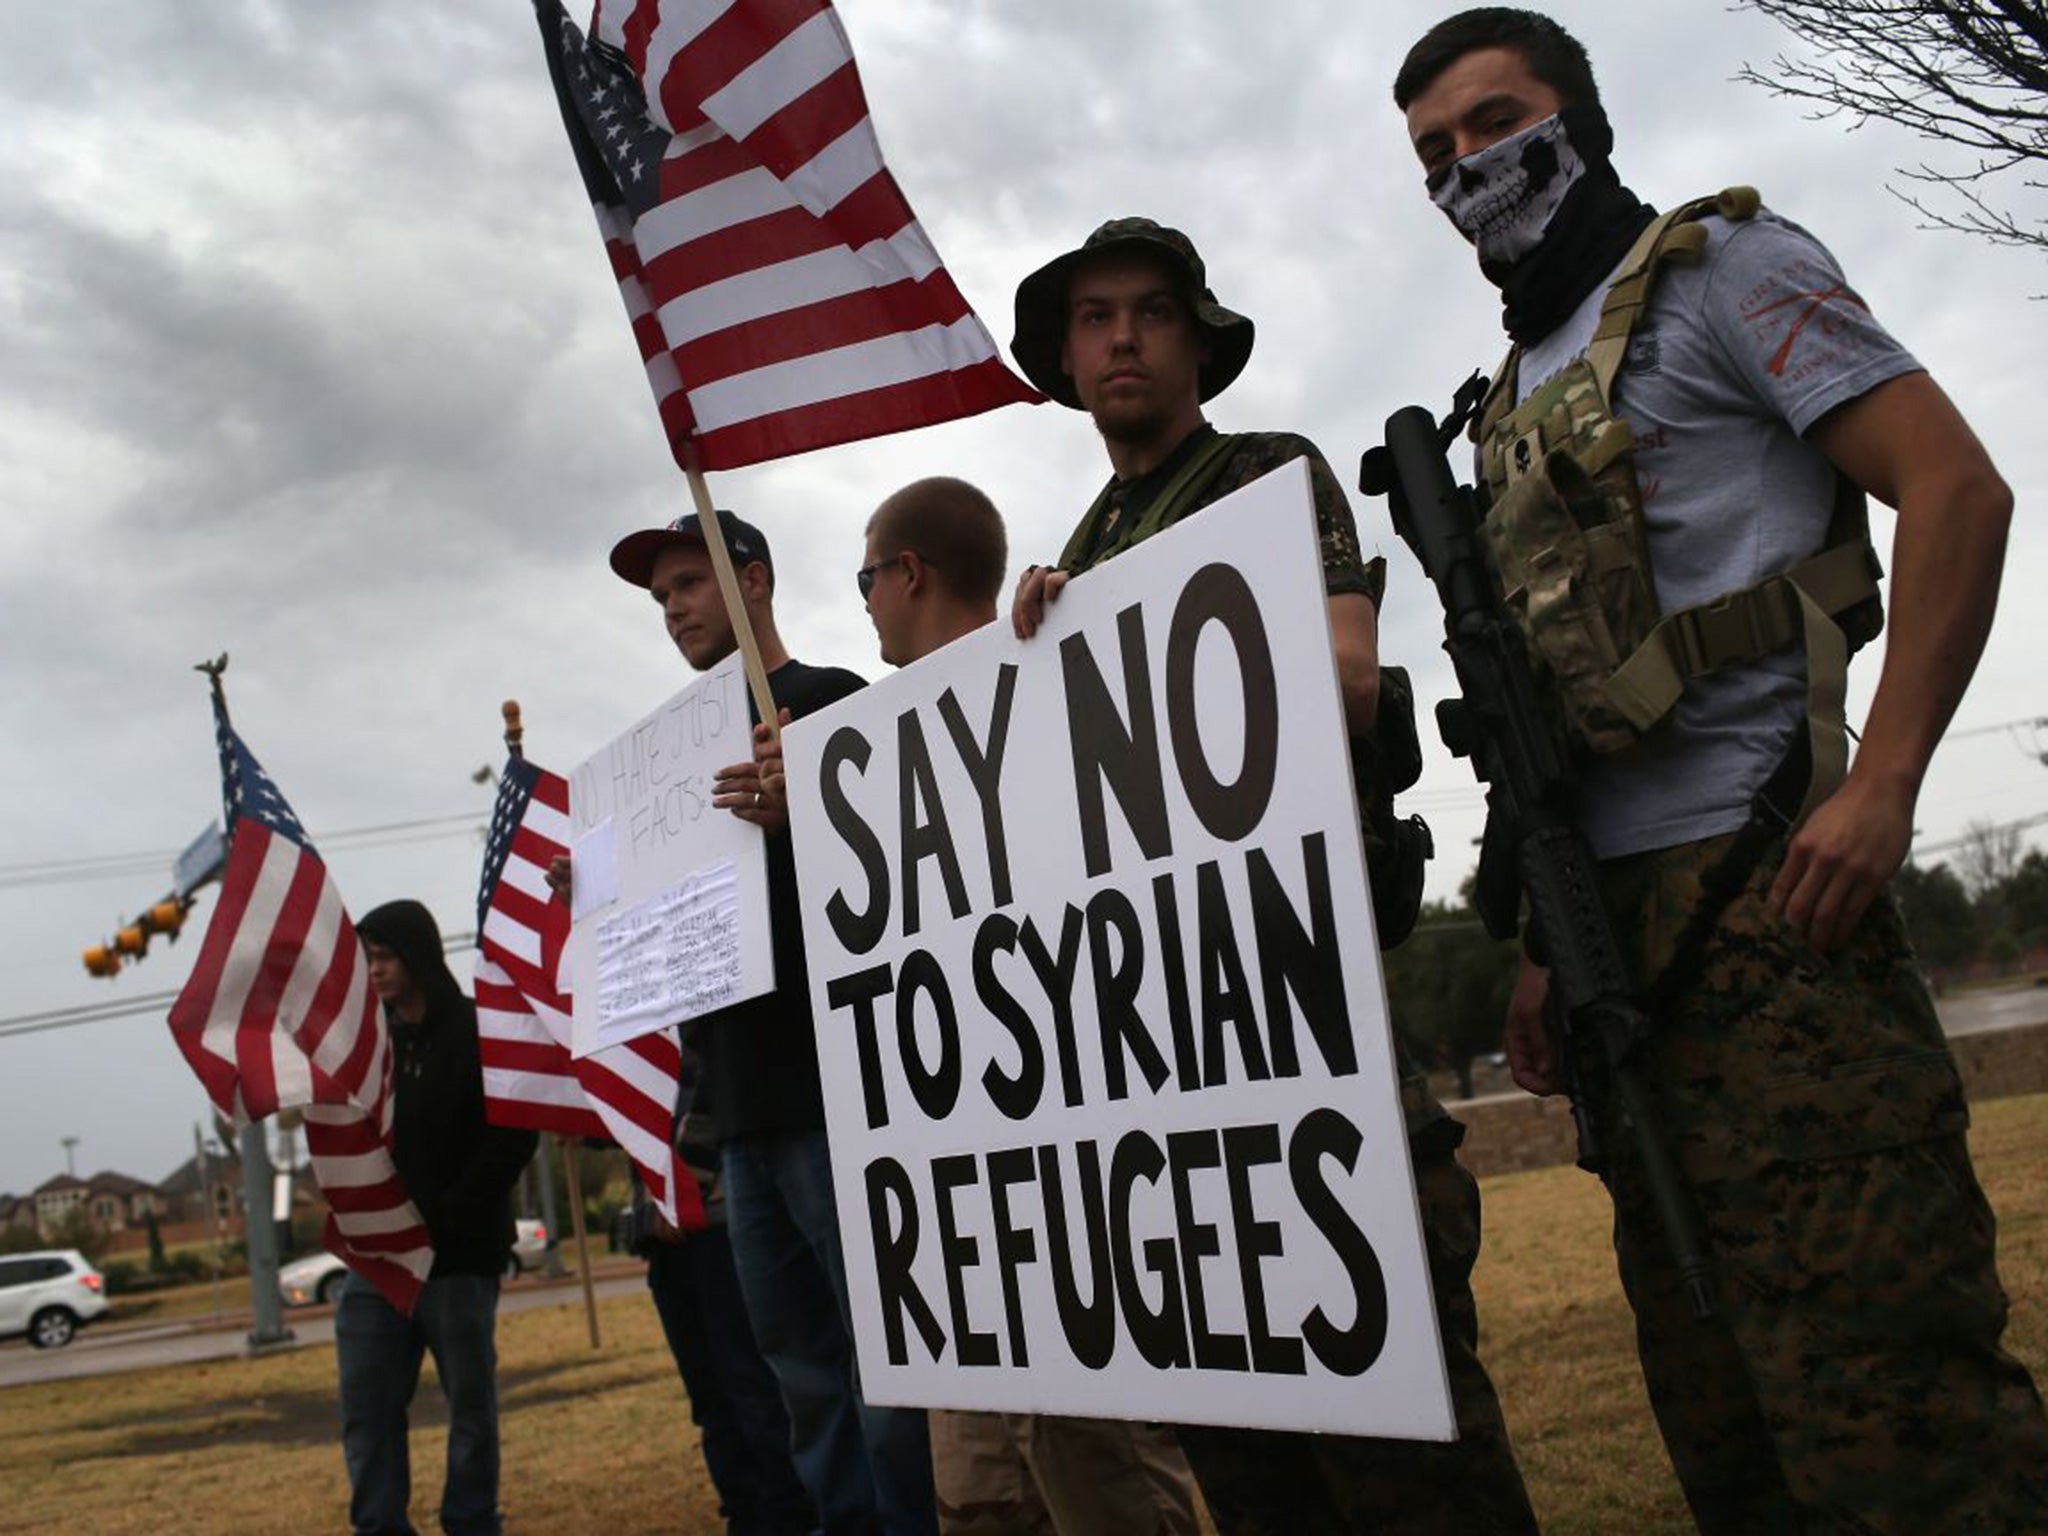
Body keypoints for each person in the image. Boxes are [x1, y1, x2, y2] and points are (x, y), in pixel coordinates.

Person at [1393, 10, 2048, 1531]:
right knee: (1721, 1408)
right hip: (1616, 953)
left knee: (1898, 1413)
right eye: (1435, 154)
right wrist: (1550, 946)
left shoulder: (1723, 274)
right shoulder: (1496, 401)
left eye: (1496, 123)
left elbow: (1956, 488)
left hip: (1773, 900)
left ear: (1586, 120)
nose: (1468, 168)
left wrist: (1881, 786)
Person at [1007, 218, 1537, 1535]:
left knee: (1413, 1467)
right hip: (1163, 1081)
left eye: (1149, 312)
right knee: (1250, 1480)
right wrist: (1038, 664)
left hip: (1299, 1023)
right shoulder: (1077, 553)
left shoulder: (1265, 478)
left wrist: (1119, 675)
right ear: (1067, 358)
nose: (1121, 336)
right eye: (1093, 318)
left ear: (1197, 340)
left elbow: (1348, 675)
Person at [851, 473, 1204, 1536]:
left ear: (907, 573)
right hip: (958, 1191)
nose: (862, 601)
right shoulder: (865, 764)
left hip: (1079, 1176)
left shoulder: (1058, 665)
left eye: (865, 579)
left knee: (1105, 1476)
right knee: (979, 1497)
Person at [592, 509, 938, 1536]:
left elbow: (911, 869)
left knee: (883, 1369)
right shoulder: (674, 763)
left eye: (688, 585)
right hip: (739, 1116)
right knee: (800, 1377)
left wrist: (812, 812)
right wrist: (604, 899)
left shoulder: (832, 702)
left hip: (841, 1095)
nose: (673, 612)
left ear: (752, 581)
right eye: (660, 600)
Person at [338, 899, 538, 1536]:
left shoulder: (479, 1031)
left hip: (459, 1260)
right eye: (367, 959)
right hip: (377, 1262)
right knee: (367, 1409)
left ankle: (472, 1521)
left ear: (418, 955)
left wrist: (452, 1214)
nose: (374, 971)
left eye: (385, 956)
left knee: (470, 1409)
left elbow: (514, 1134)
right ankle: (378, 1525)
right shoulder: (371, 1046)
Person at [631, 1035, 816, 1536]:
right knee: (711, 1401)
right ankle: (745, 1514)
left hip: (714, 1220)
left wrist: (685, 1178)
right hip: (663, 1232)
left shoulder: (693, 1002)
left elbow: (716, 1076)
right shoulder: (636, 1007)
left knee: (755, 1388)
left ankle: (788, 1515)